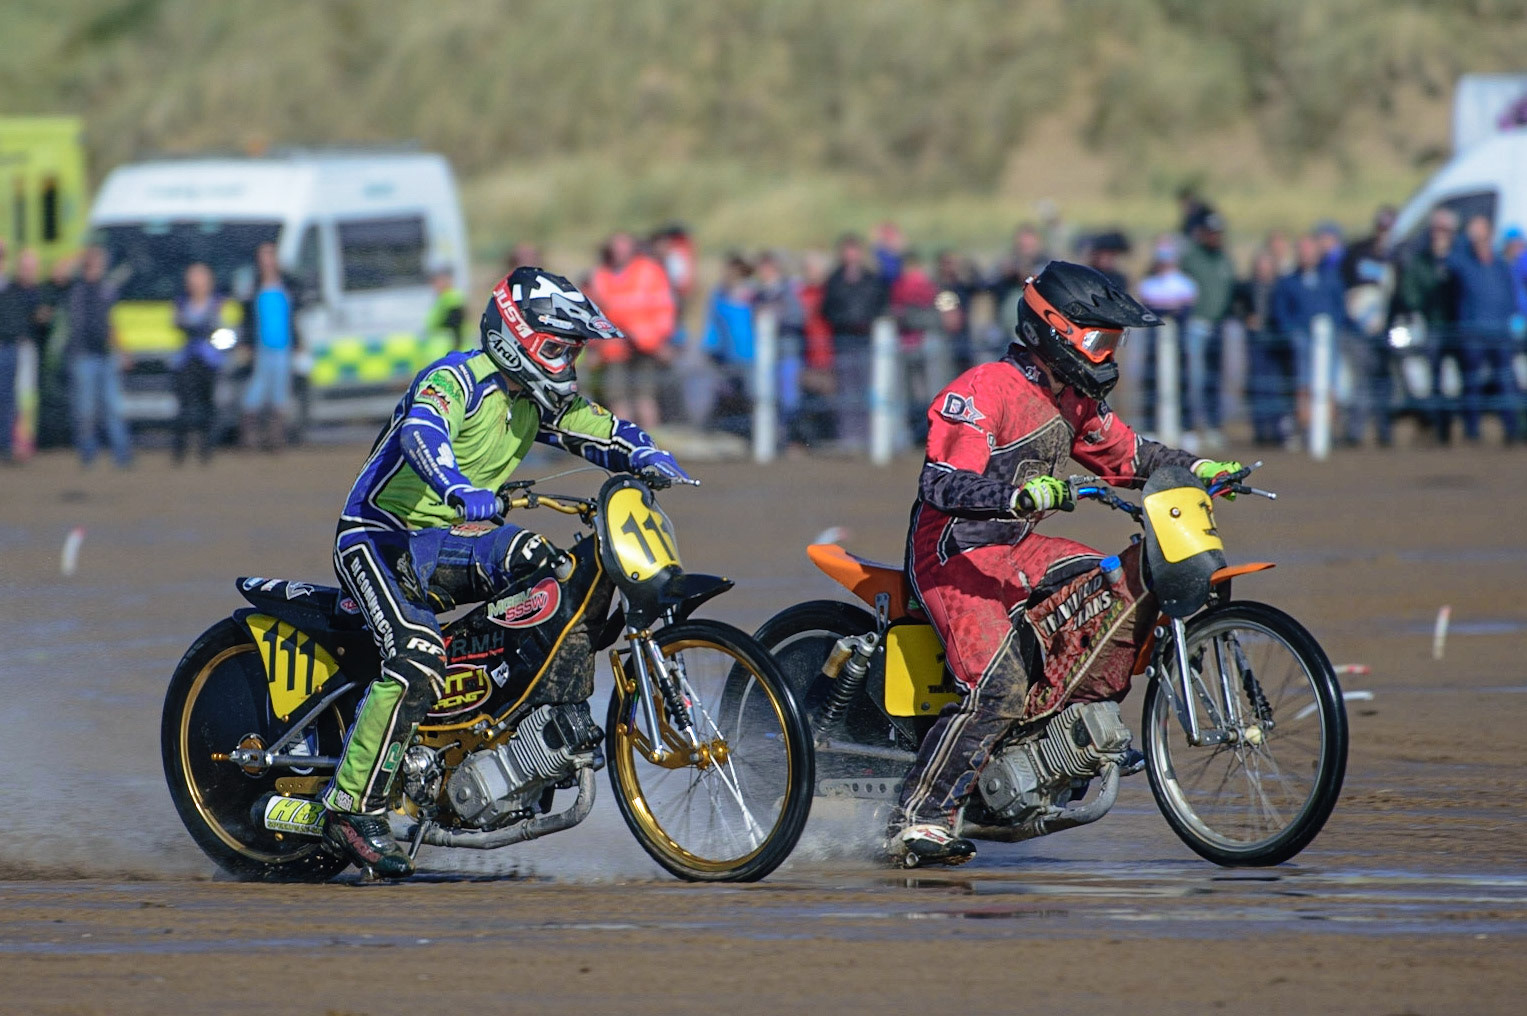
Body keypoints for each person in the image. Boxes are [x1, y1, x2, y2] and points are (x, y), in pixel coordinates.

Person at [321, 267, 690, 876]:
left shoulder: (532, 399)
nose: (566, 362)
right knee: (415, 654)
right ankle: (348, 806)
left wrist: (645, 451)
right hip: (383, 538)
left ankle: (492, 729)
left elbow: (594, 427)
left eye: (572, 351)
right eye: (556, 348)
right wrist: (458, 487)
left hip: (459, 538)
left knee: (550, 572)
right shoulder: (456, 378)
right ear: (514, 336)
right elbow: (422, 431)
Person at [890, 261, 1239, 866]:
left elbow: (1130, 455)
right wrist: (1016, 496)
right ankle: (917, 819)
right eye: (1100, 340)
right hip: (955, 555)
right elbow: (941, 483)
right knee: (996, 688)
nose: (1108, 355)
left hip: (1020, 550)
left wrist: (1195, 469)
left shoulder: (1072, 400)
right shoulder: (981, 390)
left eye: (1115, 343)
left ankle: (1060, 731)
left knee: (1110, 585)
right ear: (1056, 330)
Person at [587, 232, 677, 433]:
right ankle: (626, 444)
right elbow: (594, 314)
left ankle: (652, 446)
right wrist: (594, 347)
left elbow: (664, 307)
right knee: (617, 397)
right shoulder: (601, 275)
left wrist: (661, 339)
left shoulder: (649, 271)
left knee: (645, 396)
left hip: (646, 345)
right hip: (613, 347)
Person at [1448, 215, 1521, 443]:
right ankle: (1472, 430)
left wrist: (1513, 320)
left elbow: (1510, 295)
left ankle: (1511, 428)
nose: (1480, 240)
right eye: (1475, 236)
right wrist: (1464, 237)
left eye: (1483, 235)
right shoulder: (1463, 263)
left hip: (1500, 332)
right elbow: (1450, 261)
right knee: (1472, 382)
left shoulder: (1500, 265)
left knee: (1505, 381)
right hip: (1473, 332)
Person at [1271, 234, 1349, 439]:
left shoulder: (1330, 278)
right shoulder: (1288, 282)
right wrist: (1293, 332)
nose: (1306, 255)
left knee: (1330, 383)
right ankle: (1306, 428)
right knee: (1304, 384)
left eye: (1310, 251)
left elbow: (1339, 308)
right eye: (1302, 251)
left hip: (1328, 340)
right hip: (1302, 341)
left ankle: (1329, 428)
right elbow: (1281, 313)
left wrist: (1334, 327)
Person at [1392, 208, 1460, 441]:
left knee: (1464, 375)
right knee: (1433, 375)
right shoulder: (1420, 262)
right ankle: (1435, 424)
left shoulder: (1459, 259)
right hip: (1432, 326)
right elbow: (1410, 293)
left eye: (1444, 230)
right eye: (1435, 230)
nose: (1439, 235)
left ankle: (1460, 424)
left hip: (1459, 325)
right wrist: (1421, 307)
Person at [65, 246, 133, 468]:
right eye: (94, 261)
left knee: (114, 407)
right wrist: (79, 258)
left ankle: (122, 455)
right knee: (85, 410)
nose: (98, 265)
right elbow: (58, 272)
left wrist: (122, 351)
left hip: (106, 355)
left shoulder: (108, 289)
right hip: (82, 354)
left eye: (101, 261)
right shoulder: (74, 287)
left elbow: (112, 323)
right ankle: (88, 455)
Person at [821, 233, 889, 448]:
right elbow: (827, 309)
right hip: (843, 340)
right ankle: (848, 436)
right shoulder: (834, 280)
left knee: (869, 387)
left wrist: (868, 323)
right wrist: (845, 322)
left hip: (867, 340)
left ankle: (871, 435)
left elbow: (881, 304)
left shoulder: (871, 279)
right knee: (846, 388)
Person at [1177, 213, 1236, 448]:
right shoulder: (1191, 259)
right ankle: (1190, 425)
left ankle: (1212, 425)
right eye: (1211, 233)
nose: (1215, 238)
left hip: (1218, 326)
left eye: (1218, 233)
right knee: (1193, 378)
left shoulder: (1224, 260)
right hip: (1196, 325)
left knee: (1215, 378)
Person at [1135, 236, 1198, 434]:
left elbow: (1182, 308)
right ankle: (1151, 427)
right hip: (1154, 343)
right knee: (1151, 381)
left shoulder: (1185, 283)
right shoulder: (1148, 284)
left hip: (1179, 343)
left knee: (1183, 382)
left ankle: (1186, 427)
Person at [241, 243, 298, 451]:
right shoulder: (253, 286)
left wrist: (298, 341)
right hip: (261, 346)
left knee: (280, 391)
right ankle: (249, 436)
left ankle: (276, 438)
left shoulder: (287, 284)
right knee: (256, 389)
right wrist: (246, 343)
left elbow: (293, 316)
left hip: (283, 345)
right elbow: (246, 317)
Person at [170, 263, 227, 465]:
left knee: (208, 407)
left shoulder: (217, 303)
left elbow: (219, 328)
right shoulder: (181, 303)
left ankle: (206, 450)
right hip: (186, 361)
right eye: (193, 279)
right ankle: (180, 451)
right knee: (184, 408)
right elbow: (178, 323)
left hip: (209, 361)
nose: (196, 284)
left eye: (201, 279)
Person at [1235, 248, 1292, 446]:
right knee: (1258, 385)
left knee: (1277, 386)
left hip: (1277, 342)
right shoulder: (1247, 287)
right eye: (1260, 267)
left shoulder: (1282, 287)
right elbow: (1236, 305)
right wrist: (1247, 318)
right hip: (1256, 342)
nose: (1263, 271)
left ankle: (1278, 430)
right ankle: (1260, 430)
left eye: (1267, 267)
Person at [424, 263, 466, 351]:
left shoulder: (452, 298)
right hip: (444, 350)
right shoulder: (442, 298)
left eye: (439, 280)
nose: (435, 284)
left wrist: (455, 350)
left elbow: (455, 326)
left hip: (451, 350)